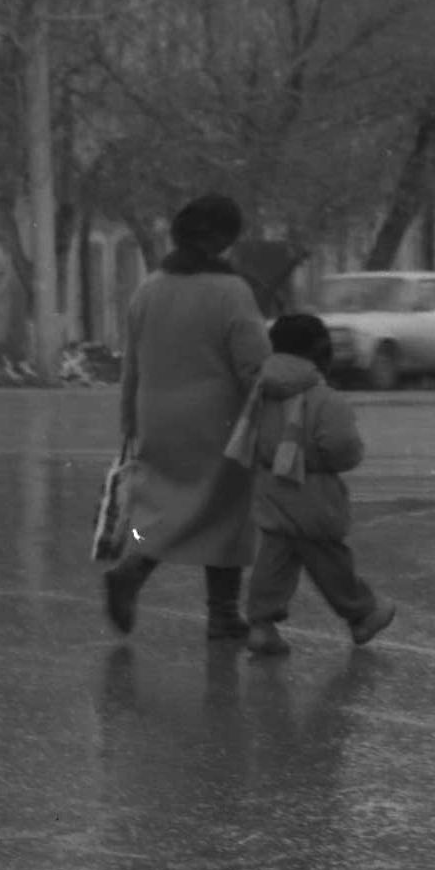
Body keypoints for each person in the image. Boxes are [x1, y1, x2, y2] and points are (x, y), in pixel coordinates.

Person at [103, 193, 275, 640]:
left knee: (162, 508)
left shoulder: (149, 289)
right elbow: (254, 364)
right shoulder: (232, 292)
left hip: (156, 415)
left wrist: (129, 421)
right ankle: (220, 612)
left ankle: (135, 567)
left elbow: (132, 366)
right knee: (226, 512)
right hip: (219, 421)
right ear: (224, 240)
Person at [236, 312, 393, 657]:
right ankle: (361, 612)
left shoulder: (261, 389)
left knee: (275, 557)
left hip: (270, 486)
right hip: (314, 492)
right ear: (319, 352)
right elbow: (343, 449)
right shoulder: (324, 399)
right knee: (328, 557)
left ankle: (261, 624)